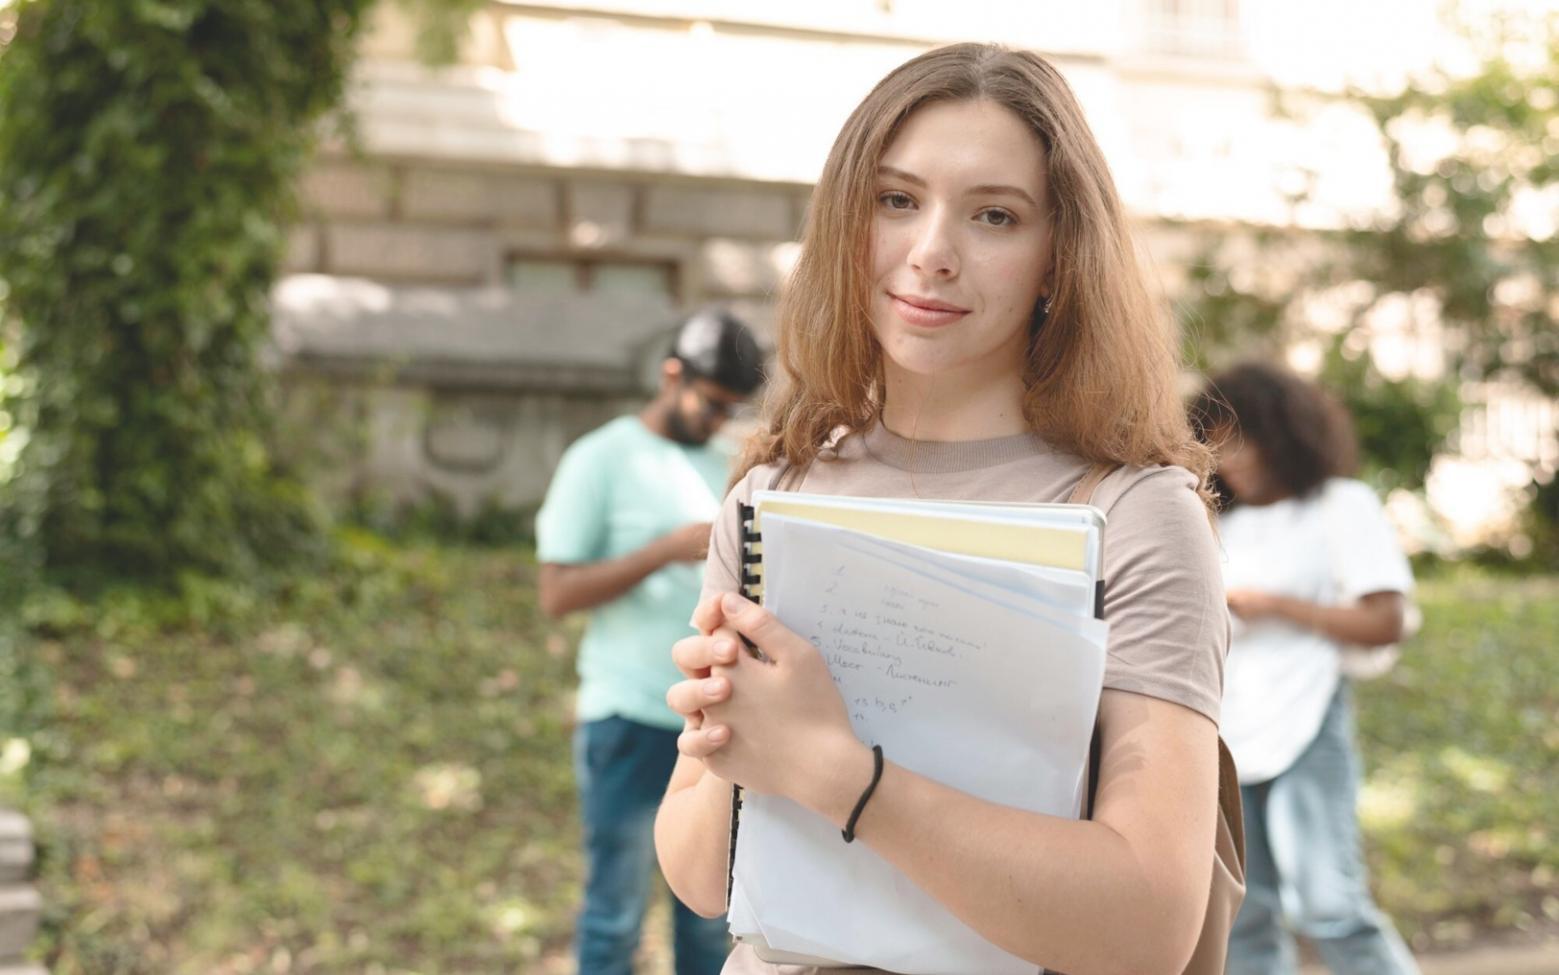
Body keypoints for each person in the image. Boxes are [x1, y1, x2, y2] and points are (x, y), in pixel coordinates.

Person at [653, 44, 1232, 975]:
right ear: (847, 222)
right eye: (895, 200)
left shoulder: (1134, 514)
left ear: (1057, 258)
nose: (930, 254)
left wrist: (834, 771)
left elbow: (1149, 928)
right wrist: (727, 734)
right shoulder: (774, 493)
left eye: (993, 215)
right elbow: (701, 879)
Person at [536, 308, 765, 975]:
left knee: (707, 923)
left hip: (715, 725)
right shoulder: (599, 458)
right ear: (672, 375)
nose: (721, 421)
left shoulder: (735, 461)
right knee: (613, 913)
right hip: (628, 721)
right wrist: (661, 552)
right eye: (713, 403)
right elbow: (556, 592)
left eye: (733, 409)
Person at [1190, 362, 1420, 975]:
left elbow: (1386, 620)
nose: (1228, 456)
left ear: (1283, 434)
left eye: (1241, 438)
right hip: (1226, 734)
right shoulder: (1215, 521)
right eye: (1214, 440)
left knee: (1330, 906)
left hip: (1308, 723)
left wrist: (1275, 607)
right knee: (1244, 916)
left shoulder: (1341, 505)